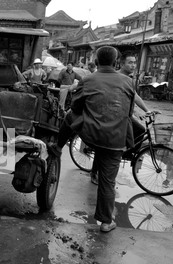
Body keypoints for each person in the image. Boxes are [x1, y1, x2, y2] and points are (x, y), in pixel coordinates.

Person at [48, 46, 135, 233]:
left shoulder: (87, 80)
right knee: (108, 182)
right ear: (116, 62)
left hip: (93, 136)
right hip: (116, 140)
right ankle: (106, 222)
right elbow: (129, 112)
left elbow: (77, 107)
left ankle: (58, 147)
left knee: (70, 115)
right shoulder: (128, 82)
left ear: (96, 61)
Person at [89, 52, 159, 185]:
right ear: (121, 64)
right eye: (130, 63)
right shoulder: (117, 77)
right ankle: (95, 171)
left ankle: (122, 152)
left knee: (139, 130)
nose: (133, 65)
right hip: (112, 117)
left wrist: (146, 110)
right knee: (104, 146)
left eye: (134, 63)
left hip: (125, 116)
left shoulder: (129, 79)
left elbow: (135, 96)